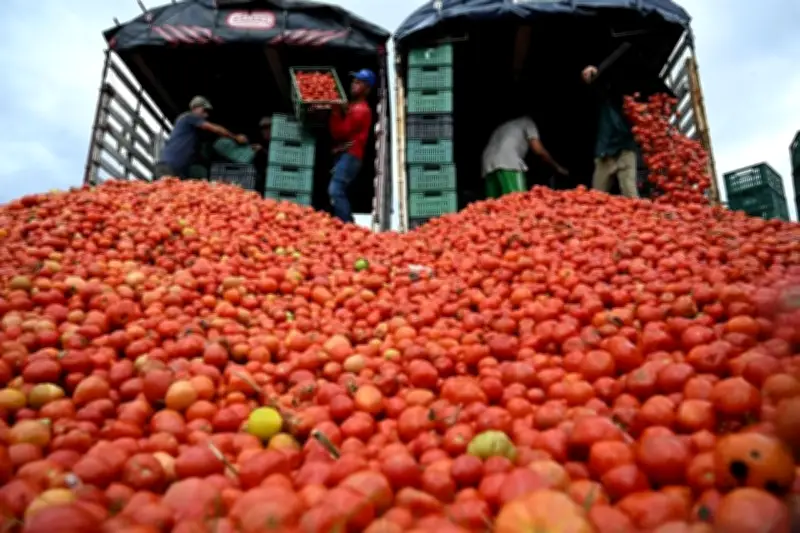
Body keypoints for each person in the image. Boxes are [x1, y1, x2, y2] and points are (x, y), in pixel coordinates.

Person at [154, 96, 248, 179]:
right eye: (204, 111)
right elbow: (215, 129)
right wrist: (235, 137)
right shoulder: (188, 117)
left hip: (178, 172)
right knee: (163, 195)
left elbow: (199, 158)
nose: (206, 115)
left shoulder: (191, 138)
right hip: (168, 167)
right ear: (196, 108)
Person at [581, 64, 639, 198]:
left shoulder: (631, 99)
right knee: (596, 196)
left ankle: (638, 218)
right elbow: (591, 84)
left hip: (625, 149)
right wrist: (593, 73)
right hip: (605, 151)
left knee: (630, 194)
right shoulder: (600, 97)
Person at [328, 69, 375, 223]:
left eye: (360, 82)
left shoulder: (361, 110)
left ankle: (347, 224)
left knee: (335, 190)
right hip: (346, 154)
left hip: (351, 155)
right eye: (354, 81)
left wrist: (335, 112)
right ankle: (344, 223)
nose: (354, 84)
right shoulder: (354, 107)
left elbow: (340, 133)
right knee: (337, 191)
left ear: (367, 89)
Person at [481, 116, 567, 199]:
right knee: (518, 201)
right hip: (507, 160)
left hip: (487, 162)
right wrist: (557, 167)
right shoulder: (528, 122)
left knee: (493, 205)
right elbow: (538, 149)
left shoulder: (504, 126)